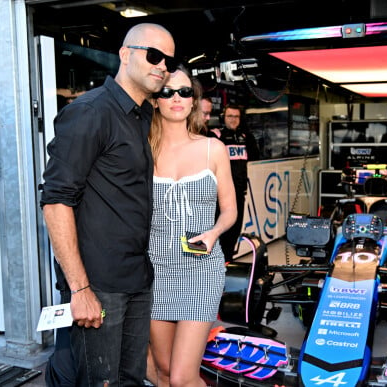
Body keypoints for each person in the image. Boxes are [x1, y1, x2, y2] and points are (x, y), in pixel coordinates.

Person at [40, 23, 176, 387]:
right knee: (97, 381)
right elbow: (55, 201)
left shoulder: (142, 115)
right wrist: (80, 290)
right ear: (125, 54)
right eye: (154, 55)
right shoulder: (90, 112)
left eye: (169, 60)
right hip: (98, 285)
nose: (163, 65)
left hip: (136, 278)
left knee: (129, 379)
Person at [146, 66, 237, 386]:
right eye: (167, 91)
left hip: (201, 269)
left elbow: (229, 211)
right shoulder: (143, 149)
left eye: (185, 92)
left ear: (193, 101)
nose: (176, 98)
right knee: (164, 370)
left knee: (183, 377)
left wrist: (213, 233)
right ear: (155, 99)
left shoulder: (213, 148)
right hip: (155, 269)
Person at [207, 104, 259, 261]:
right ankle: (216, 263)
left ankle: (227, 263)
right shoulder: (216, 135)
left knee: (234, 231)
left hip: (239, 193)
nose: (233, 120)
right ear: (224, 117)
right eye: (230, 116)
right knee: (220, 230)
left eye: (236, 116)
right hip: (220, 194)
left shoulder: (246, 137)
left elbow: (255, 157)